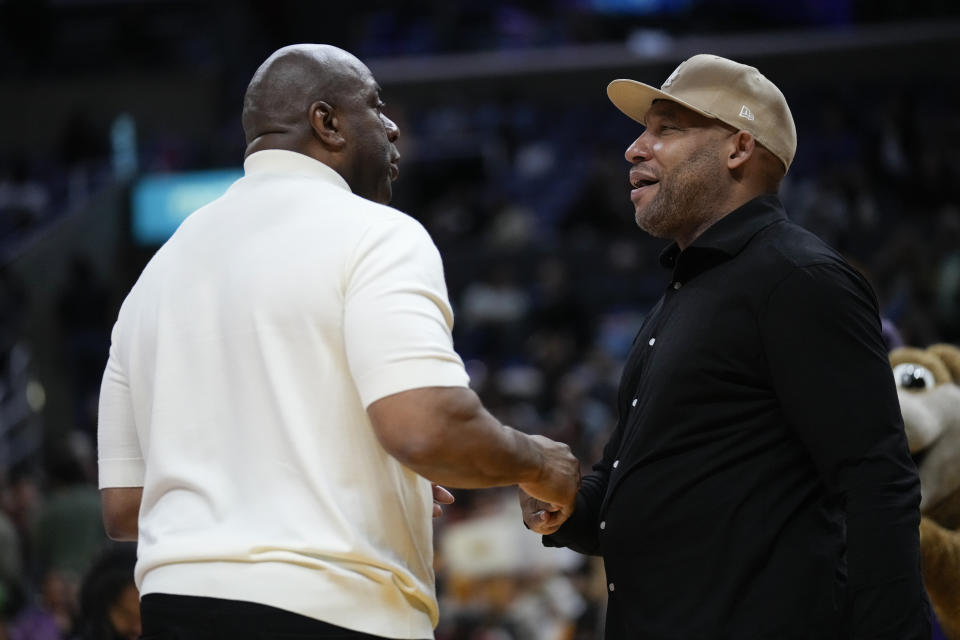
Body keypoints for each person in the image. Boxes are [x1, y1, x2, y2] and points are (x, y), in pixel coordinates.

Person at [97, 44, 579, 640]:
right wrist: (539, 461)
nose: (395, 127)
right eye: (376, 107)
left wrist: (352, 473)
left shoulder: (155, 276)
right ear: (327, 123)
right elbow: (427, 428)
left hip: (174, 608)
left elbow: (125, 506)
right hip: (331, 611)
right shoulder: (377, 234)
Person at [520, 54, 931, 639]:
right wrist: (558, 500)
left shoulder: (798, 278)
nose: (635, 149)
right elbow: (627, 488)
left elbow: (877, 483)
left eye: (668, 129)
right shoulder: (682, 295)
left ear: (739, 149)